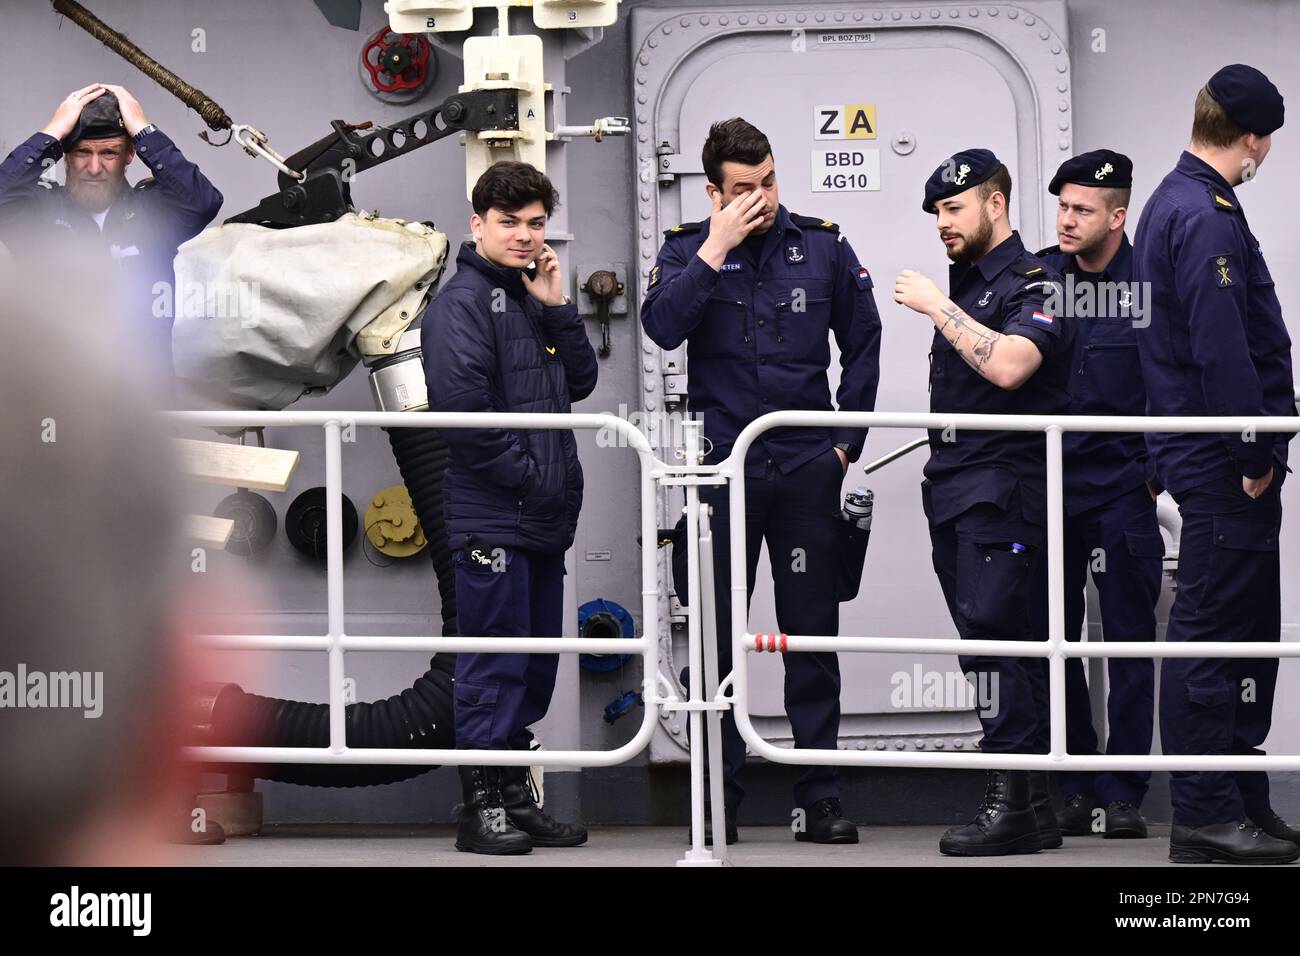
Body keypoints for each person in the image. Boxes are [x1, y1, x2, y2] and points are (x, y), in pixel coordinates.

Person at [641, 117, 881, 845]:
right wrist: (716, 247)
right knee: (715, 638)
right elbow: (661, 327)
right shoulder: (688, 250)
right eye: (744, 188)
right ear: (714, 191)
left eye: (770, 180)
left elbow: (864, 340)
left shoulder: (824, 244)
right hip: (723, 470)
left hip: (806, 466)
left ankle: (821, 797)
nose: (763, 197)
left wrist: (846, 446)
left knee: (813, 636)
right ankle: (720, 798)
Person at [1132, 64, 1298, 864]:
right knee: (1211, 632)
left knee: (1247, 634)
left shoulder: (1181, 200)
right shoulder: (1203, 214)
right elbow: (1221, 343)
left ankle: (1244, 801)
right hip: (1223, 462)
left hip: (1209, 456)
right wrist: (1253, 447)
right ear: (1254, 139)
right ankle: (1203, 813)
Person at [894, 149, 1075, 856]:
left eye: (954, 208)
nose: (942, 223)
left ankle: (1012, 799)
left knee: (997, 640)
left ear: (995, 205)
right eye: (937, 212)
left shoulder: (1043, 281)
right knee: (997, 641)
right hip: (961, 488)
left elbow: (1008, 366)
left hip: (1005, 489)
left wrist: (938, 308)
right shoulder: (971, 284)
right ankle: (1033, 801)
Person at [422, 161, 597, 855]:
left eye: (535, 224)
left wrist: (557, 304)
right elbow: (465, 415)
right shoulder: (462, 303)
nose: (525, 237)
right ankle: (481, 808)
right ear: (478, 225)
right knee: (493, 663)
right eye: (510, 224)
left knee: (530, 666)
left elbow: (579, 380)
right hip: (497, 514)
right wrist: (533, 479)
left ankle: (515, 797)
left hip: (541, 518)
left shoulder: (530, 296)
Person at [1031, 150, 1161, 840]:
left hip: (1121, 491)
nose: (1067, 220)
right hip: (1051, 488)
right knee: (1055, 640)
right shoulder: (1041, 278)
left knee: (1131, 645)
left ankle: (1124, 791)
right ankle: (1075, 783)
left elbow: (1177, 381)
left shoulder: (1150, 282)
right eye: (1063, 207)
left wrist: (1153, 474)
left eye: (1083, 209)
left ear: (1118, 214)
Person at [0, 83, 223, 388]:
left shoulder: (153, 212)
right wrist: (52, 133)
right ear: (65, 156)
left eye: (109, 153)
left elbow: (204, 201)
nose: (94, 167)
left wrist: (145, 132)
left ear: (130, 154)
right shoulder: (40, 214)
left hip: (142, 409)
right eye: (82, 152)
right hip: (52, 404)